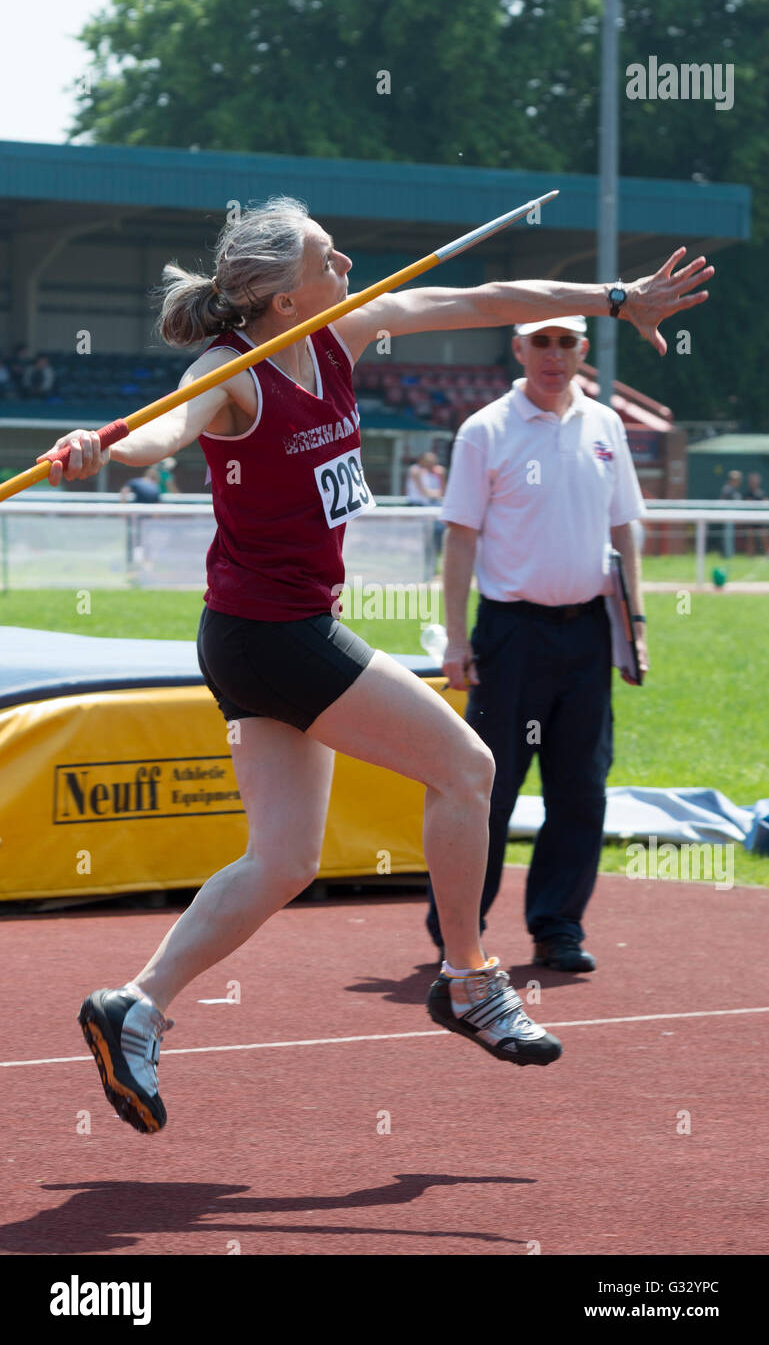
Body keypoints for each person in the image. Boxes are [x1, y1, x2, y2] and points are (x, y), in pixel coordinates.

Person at [38, 198, 712, 1133]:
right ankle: (470, 980)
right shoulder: (229, 373)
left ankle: (135, 1006)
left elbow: (480, 297)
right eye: (326, 254)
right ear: (279, 295)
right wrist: (99, 447)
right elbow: (165, 428)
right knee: (469, 767)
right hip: (272, 635)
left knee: (282, 859)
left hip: (261, 632)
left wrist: (613, 295)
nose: (348, 259)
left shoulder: (344, 333)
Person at [425, 316, 648, 973]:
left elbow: (624, 529)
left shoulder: (606, 426)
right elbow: (459, 538)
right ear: (517, 348)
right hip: (509, 634)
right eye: (540, 342)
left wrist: (633, 627)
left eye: (566, 342)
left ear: (582, 349)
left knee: (581, 787)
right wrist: (456, 640)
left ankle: (558, 927)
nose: (554, 355)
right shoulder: (484, 430)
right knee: (488, 787)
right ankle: (458, 929)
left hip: (586, 632)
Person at [406, 450, 446, 576]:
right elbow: (423, 492)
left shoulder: (434, 474)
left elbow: (442, 492)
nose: (432, 463)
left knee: (432, 539)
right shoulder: (415, 470)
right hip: (418, 508)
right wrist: (436, 494)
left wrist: (441, 477)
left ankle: (431, 567)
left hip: (431, 509)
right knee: (419, 540)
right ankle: (416, 567)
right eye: (429, 460)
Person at [719, 469, 743, 558]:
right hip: (727, 517)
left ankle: (729, 554)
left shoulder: (735, 490)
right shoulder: (727, 489)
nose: (738, 481)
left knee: (730, 536)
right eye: (736, 479)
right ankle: (727, 555)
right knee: (727, 537)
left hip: (733, 517)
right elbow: (722, 503)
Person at [745, 472, 769, 556]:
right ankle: (751, 555)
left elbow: (766, 502)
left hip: (760, 519)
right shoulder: (748, 493)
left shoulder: (762, 493)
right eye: (752, 481)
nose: (754, 483)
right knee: (750, 538)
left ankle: (767, 554)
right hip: (751, 519)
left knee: (764, 538)